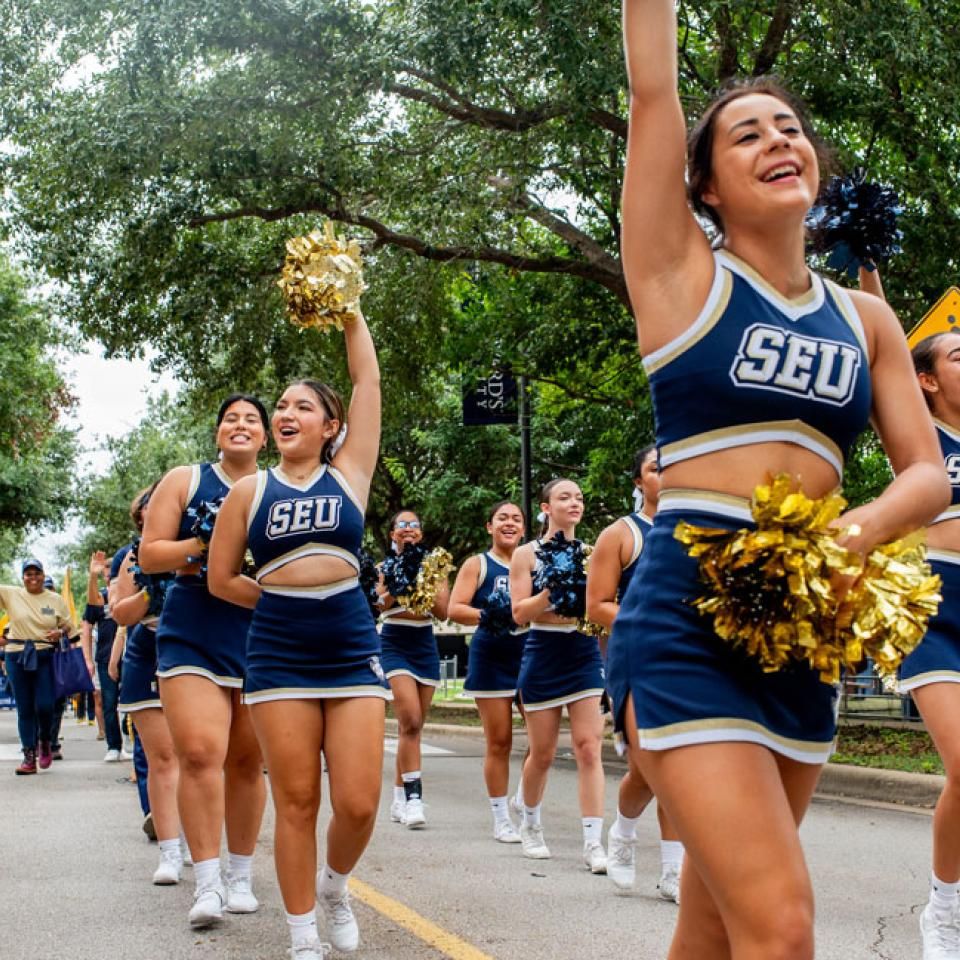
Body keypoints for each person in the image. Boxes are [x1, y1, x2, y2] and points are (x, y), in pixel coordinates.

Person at [614, 4, 949, 956]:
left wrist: (858, 532)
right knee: (784, 927)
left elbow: (927, 473)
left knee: (718, 923)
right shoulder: (681, 272)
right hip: (687, 610)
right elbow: (652, 90)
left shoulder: (868, 321)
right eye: (747, 134)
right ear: (706, 187)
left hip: (808, 625)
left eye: (790, 128)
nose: (777, 141)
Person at [209, 306, 386, 960]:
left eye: (302, 406)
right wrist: (283, 598)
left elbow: (367, 382)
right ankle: (303, 934)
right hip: (278, 648)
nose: (285, 413)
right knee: (298, 799)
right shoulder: (249, 492)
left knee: (361, 802)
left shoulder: (351, 474)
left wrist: (351, 315)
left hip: (349, 638)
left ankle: (335, 887)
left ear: (330, 425)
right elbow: (223, 578)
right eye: (280, 405)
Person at [139, 395, 269, 929]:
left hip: (260, 630)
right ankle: (208, 883)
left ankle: (241, 876)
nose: (240, 426)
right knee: (199, 753)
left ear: (265, 437)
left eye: (252, 421)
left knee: (245, 761)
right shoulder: (185, 480)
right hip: (191, 627)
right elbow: (151, 555)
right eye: (230, 419)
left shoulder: (276, 487)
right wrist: (209, 544)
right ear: (218, 433)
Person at [586, 446, 683, 901]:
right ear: (638, 481)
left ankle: (673, 871)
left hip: (688, 660)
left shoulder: (704, 529)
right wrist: (650, 621)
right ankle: (623, 832)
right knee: (649, 767)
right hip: (637, 659)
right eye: (655, 468)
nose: (666, 474)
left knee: (679, 766)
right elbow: (598, 605)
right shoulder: (620, 535)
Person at [891, 331, 960, 957]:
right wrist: (867, 256)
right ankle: (944, 911)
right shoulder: (920, 436)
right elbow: (882, 328)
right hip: (934, 611)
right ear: (929, 380)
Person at [510, 479, 606, 871]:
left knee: (588, 746)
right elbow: (519, 614)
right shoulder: (525, 555)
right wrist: (552, 591)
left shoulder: (594, 553)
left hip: (583, 651)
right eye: (564, 497)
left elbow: (600, 606)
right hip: (544, 652)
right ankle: (530, 823)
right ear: (545, 508)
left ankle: (593, 842)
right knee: (543, 753)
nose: (574, 503)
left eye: (579, 497)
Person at [112, 485, 184, 886]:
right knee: (162, 757)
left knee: (197, 754)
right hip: (147, 645)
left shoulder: (199, 540)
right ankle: (170, 851)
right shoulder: (130, 557)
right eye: (147, 508)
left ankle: (198, 839)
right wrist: (152, 589)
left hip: (194, 648)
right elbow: (120, 613)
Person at [449, 501, 527, 843]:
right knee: (500, 742)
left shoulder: (534, 561)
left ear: (524, 528)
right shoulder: (478, 564)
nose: (509, 524)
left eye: (516, 519)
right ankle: (500, 817)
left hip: (531, 655)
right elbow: (455, 609)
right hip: (492, 656)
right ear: (489, 526)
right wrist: (489, 615)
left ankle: (524, 799)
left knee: (543, 743)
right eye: (502, 519)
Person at [377, 509, 450, 830]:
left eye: (414, 525)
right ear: (392, 533)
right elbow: (376, 604)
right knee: (410, 719)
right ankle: (415, 798)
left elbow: (444, 610)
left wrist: (422, 577)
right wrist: (397, 583)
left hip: (424, 642)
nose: (408, 529)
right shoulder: (382, 567)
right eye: (401, 525)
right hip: (393, 642)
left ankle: (398, 797)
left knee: (413, 729)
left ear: (420, 533)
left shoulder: (434, 566)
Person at [0, 559, 80, 774]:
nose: (33, 577)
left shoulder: (54, 600)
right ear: (22, 577)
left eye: (37, 573)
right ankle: (28, 756)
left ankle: (45, 739)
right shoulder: (11, 594)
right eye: (28, 574)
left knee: (45, 706)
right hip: (16, 656)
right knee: (25, 708)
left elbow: (72, 631)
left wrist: (60, 633)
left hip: (45, 655)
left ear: (44, 576)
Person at [83, 551, 125, 761]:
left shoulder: (129, 591)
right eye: (106, 573)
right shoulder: (101, 596)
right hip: (105, 657)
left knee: (133, 702)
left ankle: (136, 745)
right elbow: (87, 623)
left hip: (130, 655)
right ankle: (114, 746)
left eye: (112, 572)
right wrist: (88, 659)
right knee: (109, 703)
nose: (108, 576)